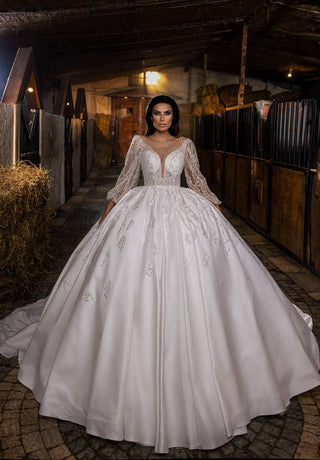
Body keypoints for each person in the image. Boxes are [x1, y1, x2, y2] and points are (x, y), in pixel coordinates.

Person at [0, 95, 319, 454]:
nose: (163, 118)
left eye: (168, 113)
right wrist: (106, 217)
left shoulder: (186, 144)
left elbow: (196, 180)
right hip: (141, 212)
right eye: (157, 113)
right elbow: (124, 181)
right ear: (150, 116)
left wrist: (215, 211)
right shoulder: (138, 143)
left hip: (184, 213)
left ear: (174, 116)